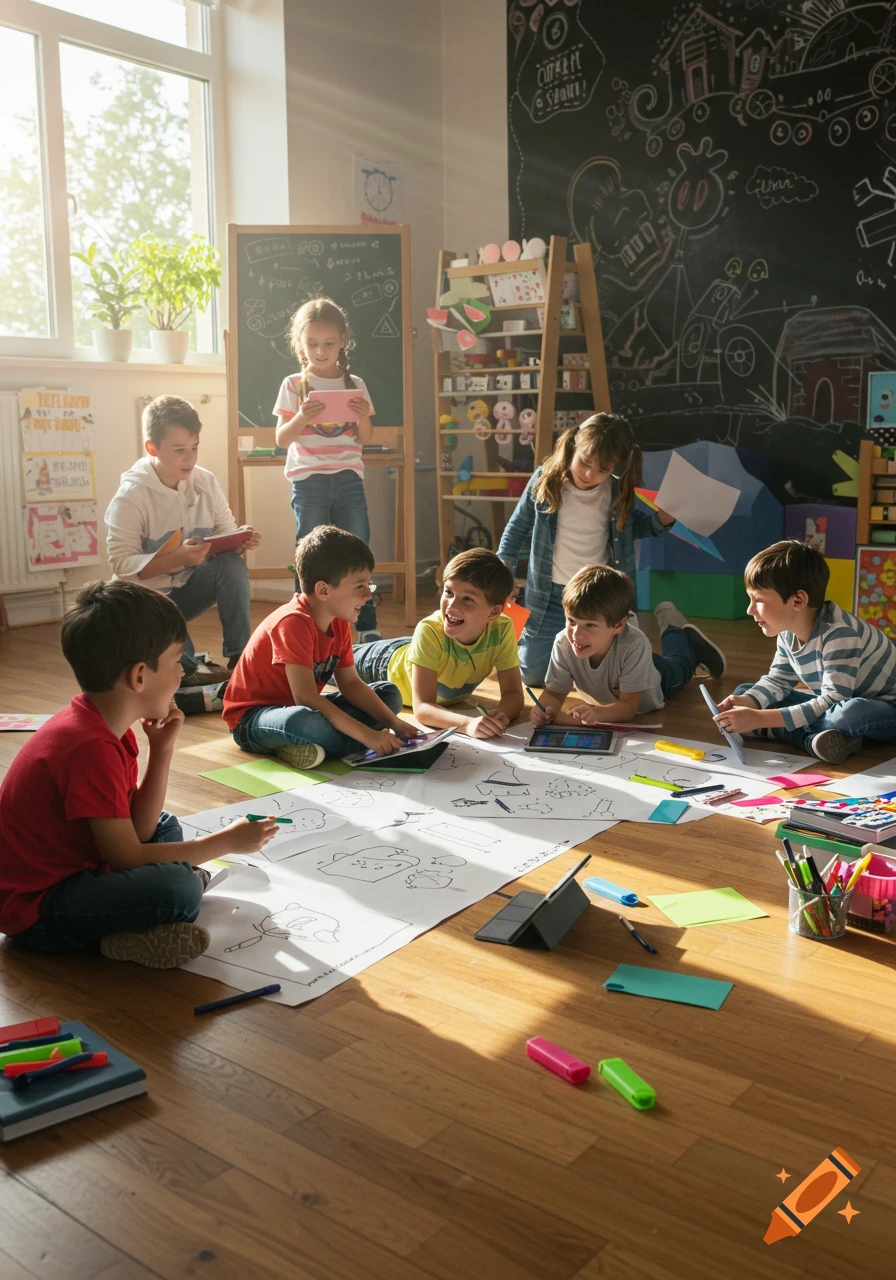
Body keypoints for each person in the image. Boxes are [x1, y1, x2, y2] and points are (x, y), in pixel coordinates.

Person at [0, 581, 276, 968]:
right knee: (178, 889)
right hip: (38, 912)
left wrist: (161, 750)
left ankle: (138, 925)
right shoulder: (88, 747)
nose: (183, 671)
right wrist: (225, 843)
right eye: (178, 660)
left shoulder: (103, 727)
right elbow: (129, 857)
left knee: (164, 825)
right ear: (140, 677)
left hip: (83, 866)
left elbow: (141, 830)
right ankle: (131, 927)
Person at [497, 413, 682, 685]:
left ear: (615, 468)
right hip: (549, 596)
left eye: (602, 469)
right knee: (534, 677)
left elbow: (631, 528)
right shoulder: (545, 480)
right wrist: (503, 576)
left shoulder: (617, 490)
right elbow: (515, 530)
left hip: (600, 598)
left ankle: (680, 644)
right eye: (584, 462)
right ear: (573, 446)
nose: (589, 474)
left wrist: (660, 521)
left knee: (625, 678)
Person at [223, 526, 415, 769]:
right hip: (253, 719)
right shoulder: (293, 622)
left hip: (300, 706)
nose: (368, 595)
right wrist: (368, 735)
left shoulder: (339, 620)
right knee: (301, 722)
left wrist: (395, 724)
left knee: (388, 694)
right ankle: (349, 742)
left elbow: (352, 684)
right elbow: (306, 698)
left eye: (369, 584)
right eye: (360, 586)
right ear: (324, 590)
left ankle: (310, 745)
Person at [105, 395, 262, 688]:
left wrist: (240, 540)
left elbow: (225, 533)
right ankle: (194, 667)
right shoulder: (131, 496)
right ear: (152, 448)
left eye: (194, 448)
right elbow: (121, 565)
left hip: (186, 591)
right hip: (145, 602)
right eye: (179, 450)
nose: (189, 458)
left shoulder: (205, 481)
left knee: (231, 563)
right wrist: (179, 557)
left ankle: (242, 658)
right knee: (182, 674)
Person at [714, 539, 896, 764]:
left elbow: (833, 701)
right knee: (747, 692)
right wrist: (749, 701)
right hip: (837, 702)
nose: (749, 610)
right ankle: (821, 740)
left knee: (847, 714)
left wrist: (760, 718)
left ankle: (799, 736)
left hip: (886, 708)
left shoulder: (841, 634)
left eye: (758, 600)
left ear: (798, 600)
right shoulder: (787, 631)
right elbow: (778, 681)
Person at [274, 297, 380, 642]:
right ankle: (304, 622)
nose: (320, 351)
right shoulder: (293, 384)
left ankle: (365, 626)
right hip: (309, 480)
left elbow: (364, 437)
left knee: (358, 547)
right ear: (300, 343)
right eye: (312, 343)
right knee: (309, 552)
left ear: (343, 341)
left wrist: (363, 413)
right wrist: (303, 416)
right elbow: (282, 438)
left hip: (348, 477)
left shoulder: (355, 383)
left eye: (329, 343)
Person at [353, 548, 524, 739]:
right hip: (381, 664)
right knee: (327, 661)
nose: (452, 605)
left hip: (418, 651)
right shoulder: (429, 630)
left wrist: (499, 716)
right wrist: (467, 724)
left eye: (467, 599)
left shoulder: (502, 628)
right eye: (448, 592)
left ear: (493, 613)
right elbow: (423, 708)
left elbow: (513, 694)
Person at [528, 565, 726, 726]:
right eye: (571, 621)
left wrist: (595, 714)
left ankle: (674, 627)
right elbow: (553, 693)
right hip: (626, 669)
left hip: (659, 677)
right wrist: (545, 710)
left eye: (590, 625)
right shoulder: (563, 642)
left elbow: (628, 708)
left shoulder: (635, 643)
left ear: (618, 625)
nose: (576, 634)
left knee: (681, 663)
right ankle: (674, 629)